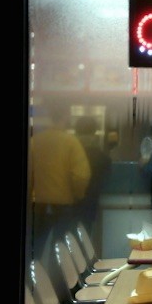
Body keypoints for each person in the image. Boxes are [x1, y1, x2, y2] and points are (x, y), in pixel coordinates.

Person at [30, 99, 92, 260]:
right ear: (65, 118)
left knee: (35, 247)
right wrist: (77, 195)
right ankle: (58, 283)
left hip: (39, 204)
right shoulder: (70, 142)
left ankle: (32, 281)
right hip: (63, 204)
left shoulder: (35, 141)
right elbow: (81, 175)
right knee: (60, 250)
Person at [74, 115, 112, 238]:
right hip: (90, 199)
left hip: (69, 200)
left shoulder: (71, 148)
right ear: (95, 131)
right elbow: (107, 170)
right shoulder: (99, 154)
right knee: (85, 234)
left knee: (66, 236)